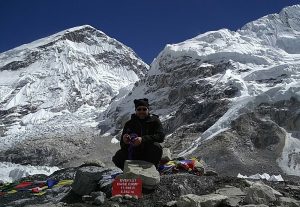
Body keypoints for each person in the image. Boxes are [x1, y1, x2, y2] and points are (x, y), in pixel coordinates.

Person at [112, 98, 165, 170]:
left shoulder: (155, 121)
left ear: (148, 110)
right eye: (139, 109)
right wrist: (125, 141)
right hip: (133, 152)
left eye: (144, 109)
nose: (141, 111)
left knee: (157, 147)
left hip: (148, 152)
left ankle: (152, 169)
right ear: (135, 110)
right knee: (118, 157)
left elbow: (161, 136)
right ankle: (129, 171)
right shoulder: (129, 123)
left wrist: (142, 139)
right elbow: (122, 145)